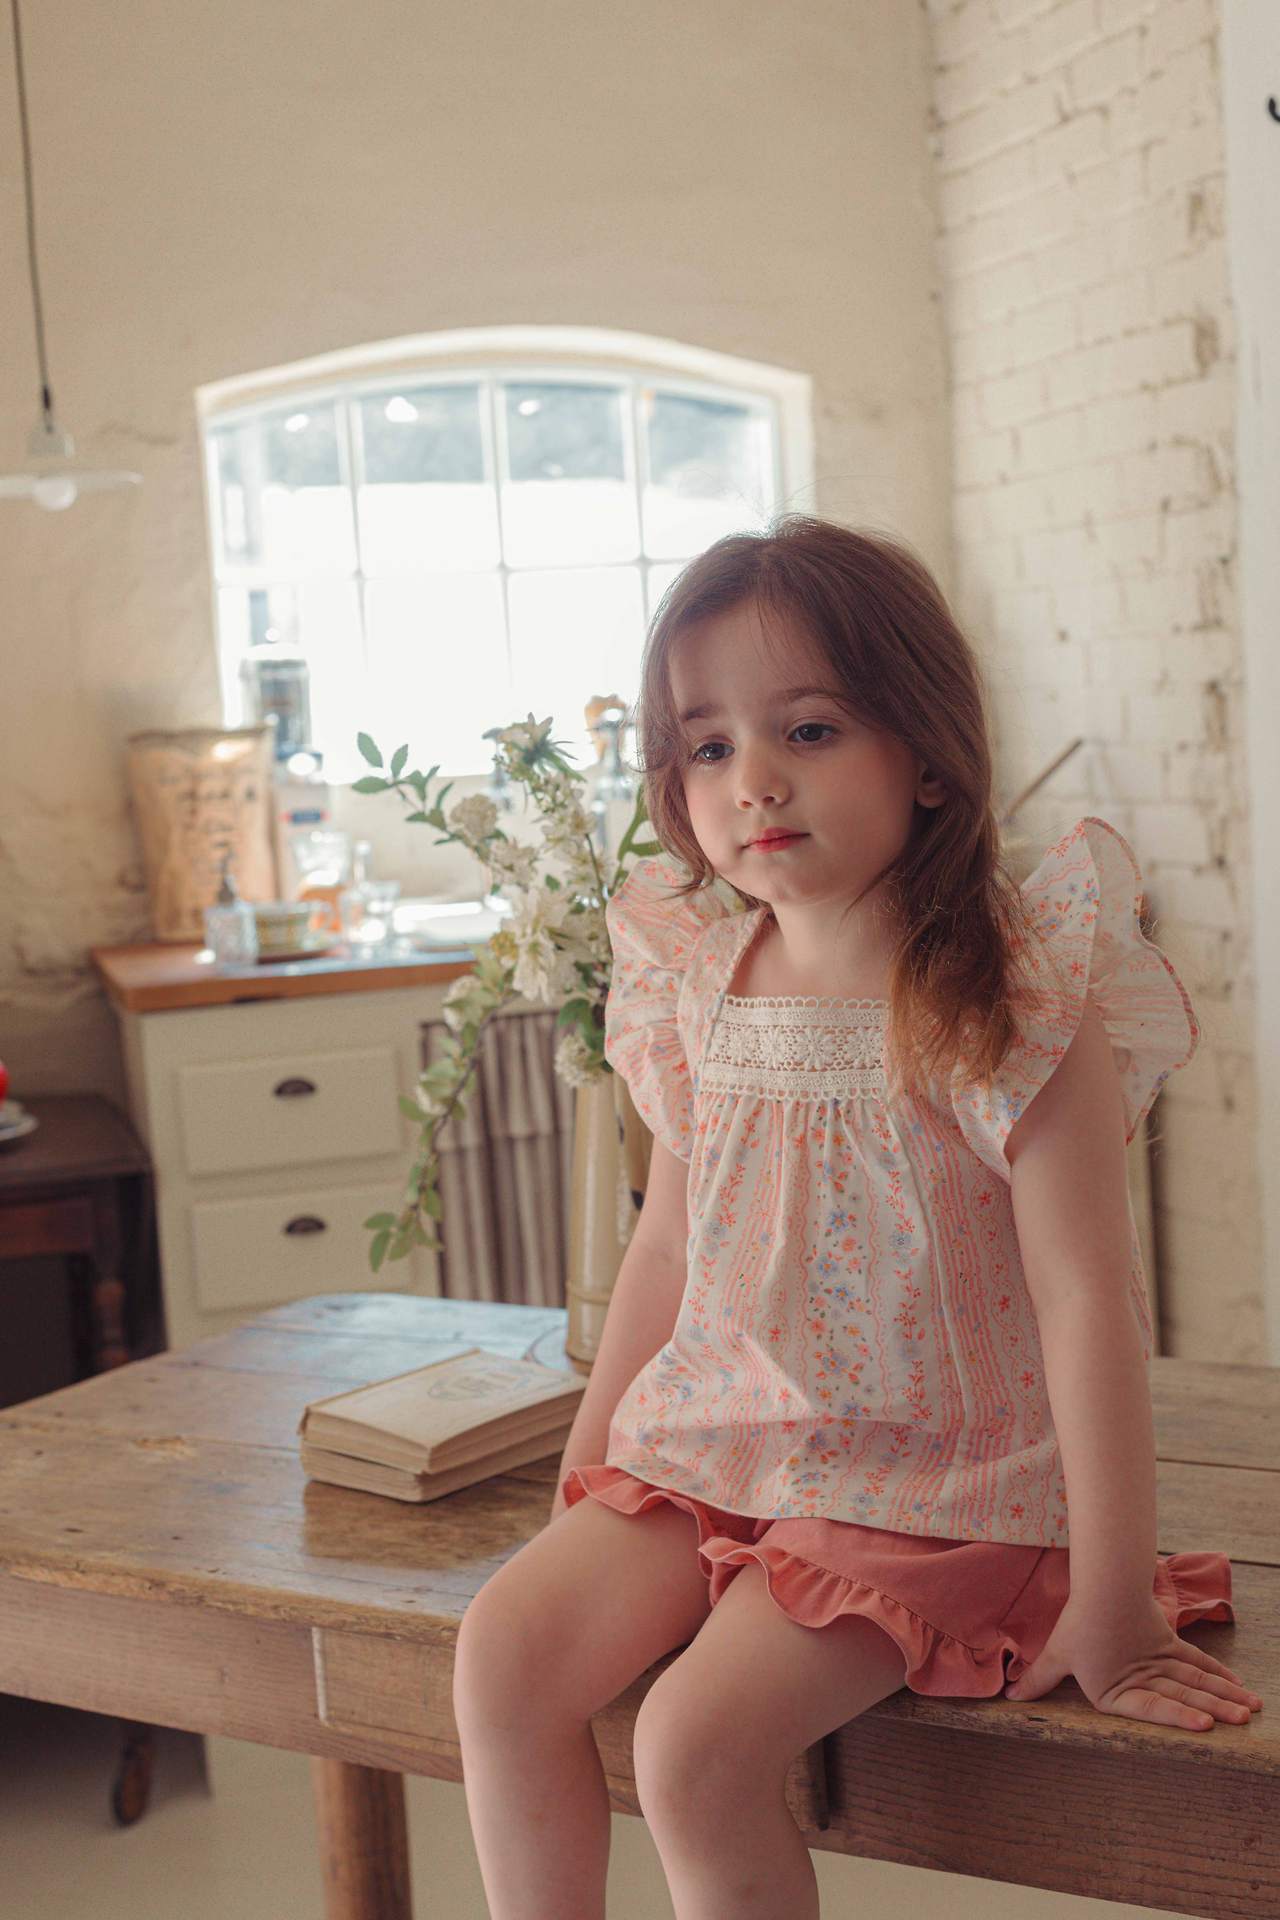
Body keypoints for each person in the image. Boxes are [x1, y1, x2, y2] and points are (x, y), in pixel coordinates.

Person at [452, 514, 1261, 1920]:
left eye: (810, 730)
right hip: (718, 1443)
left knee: (693, 1747)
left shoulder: (1014, 994)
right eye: (708, 747)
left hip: (931, 1482)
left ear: (928, 754)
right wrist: (591, 1477)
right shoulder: (697, 982)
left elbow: (1088, 1301)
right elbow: (666, 1247)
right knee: (502, 1654)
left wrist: (1114, 1598)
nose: (754, 779)